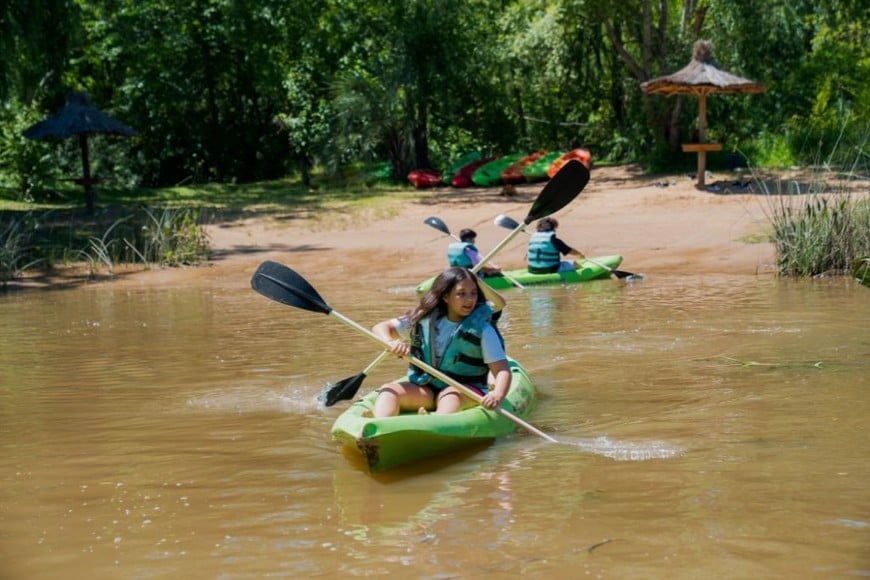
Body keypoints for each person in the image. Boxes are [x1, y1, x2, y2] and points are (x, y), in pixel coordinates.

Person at [369, 267, 511, 418]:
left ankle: (430, 424)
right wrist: (391, 342)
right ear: (445, 296)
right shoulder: (423, 319)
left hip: (466, 389)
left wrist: (497, 395)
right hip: (427, 387)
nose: (469, 299)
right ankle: (377, 431)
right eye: (461, 294)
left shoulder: (483, 329)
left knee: (450, 396)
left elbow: (502, 370)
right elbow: (380, 328)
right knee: (388, 391)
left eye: (473, 293)